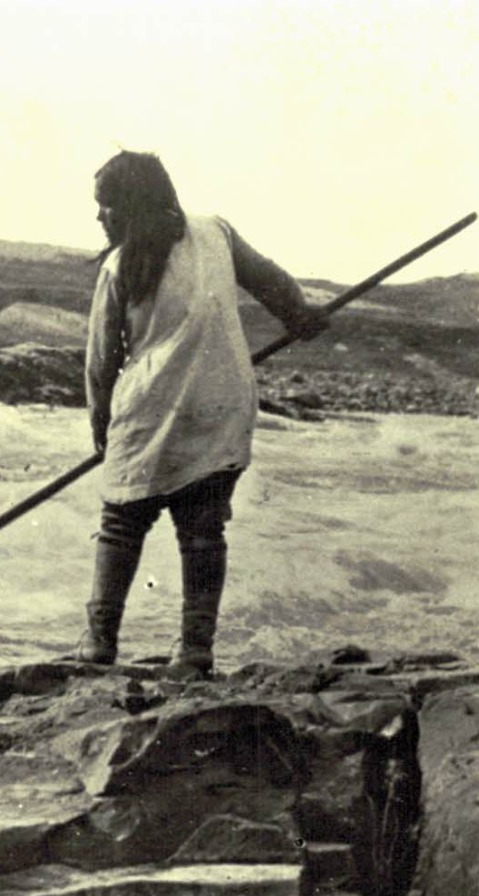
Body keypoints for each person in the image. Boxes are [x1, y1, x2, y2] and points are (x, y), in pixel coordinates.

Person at [78, 151, 327, 678]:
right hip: (220, 405)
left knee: (122, 524)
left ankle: (99, 644)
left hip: (149, 412)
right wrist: (299, 315)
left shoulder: (118, 267)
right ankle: (194, 652)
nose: (100, 217)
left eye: (107, 206)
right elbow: (270, 280)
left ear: (133, 204)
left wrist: (102, 427)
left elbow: (101, 362)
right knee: (202, 531)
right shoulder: (215, 231)